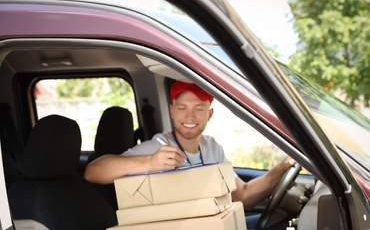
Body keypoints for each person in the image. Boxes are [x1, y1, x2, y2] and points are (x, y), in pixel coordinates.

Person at [84, 80, 296, 210]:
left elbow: (244, 196)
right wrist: (149, 163)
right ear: (171, 110)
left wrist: (283, 166)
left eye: (198, 108)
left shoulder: (213, 148)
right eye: (182, 107)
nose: (190, 116)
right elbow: (93, 172)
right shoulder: (158, 145)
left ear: (209, 114)